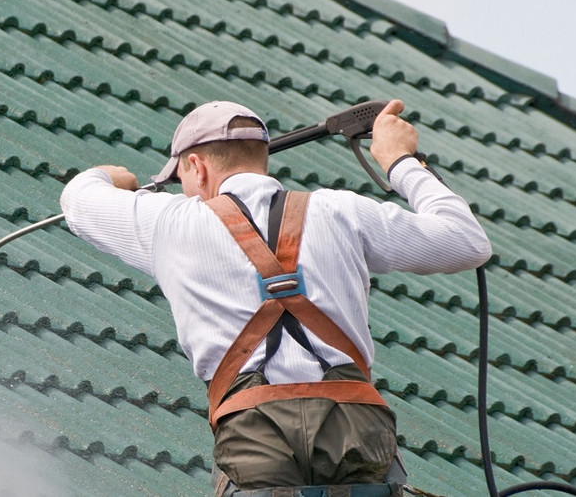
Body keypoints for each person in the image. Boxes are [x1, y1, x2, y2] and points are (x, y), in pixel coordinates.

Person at [59, 100, 491, 496]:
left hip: (253, 431)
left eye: (182, 179)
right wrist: (402, 162)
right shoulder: (342, 210)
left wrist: (117, 178)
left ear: (196, 166)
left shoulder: (167, 223)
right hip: (353, 421)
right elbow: (468, 242)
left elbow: (78, 198)